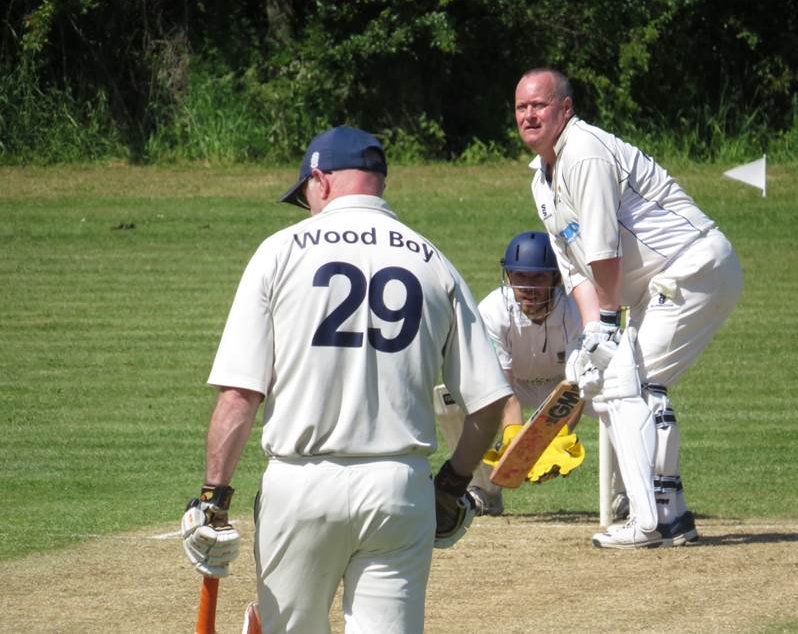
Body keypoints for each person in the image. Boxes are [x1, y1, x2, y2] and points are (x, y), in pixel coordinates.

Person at [179, 126, 513, 633]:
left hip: (301, 485)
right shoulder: (432, 260)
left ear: (321, 180)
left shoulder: (279, 252)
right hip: (399, 487)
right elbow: (487, 403)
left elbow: (241, 394)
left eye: (305, 194)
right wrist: (451, 484)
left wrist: (213, 498)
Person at [514, 68, 743, 549]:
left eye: (539, 105)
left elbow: (604, 248)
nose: (529, 115)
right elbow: (575, 268)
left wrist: (610, 325)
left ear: (565, 109)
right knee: (615, 389)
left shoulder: (585, 153)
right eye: (521, 108)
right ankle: (672, 516)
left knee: (626, 385)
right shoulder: (541, 180)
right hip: (662, 282)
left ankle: (648, 523)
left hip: (693, 267)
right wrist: (592, 330)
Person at [434, 230, 589, 516]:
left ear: (556, 278)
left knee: (617, 389)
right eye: (520, 277)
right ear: (508, 277)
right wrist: (515, 440)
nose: (528, 288)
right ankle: (484, 491)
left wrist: (556, 436)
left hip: (564, 385)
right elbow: (502, 390)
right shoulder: (492, 311)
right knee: (447, 397)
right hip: (514, 387)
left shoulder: (575, 310)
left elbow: (578, 385)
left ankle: (626, 495)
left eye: (538, 278)